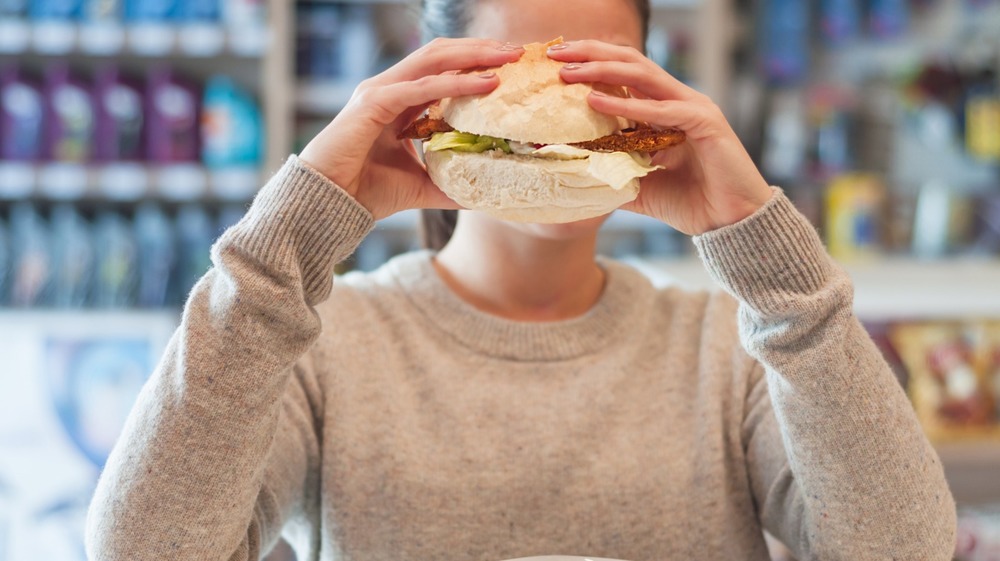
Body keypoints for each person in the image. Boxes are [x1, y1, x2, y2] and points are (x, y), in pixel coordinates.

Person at [85, 0, 957, 560]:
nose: (557, 102)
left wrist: (771, 262)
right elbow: (141, 551)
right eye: (516, 67)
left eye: (595, 69)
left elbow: (903, 550)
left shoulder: (727, 342)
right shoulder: (328, 339)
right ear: (432, 90)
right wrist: (291, 238)